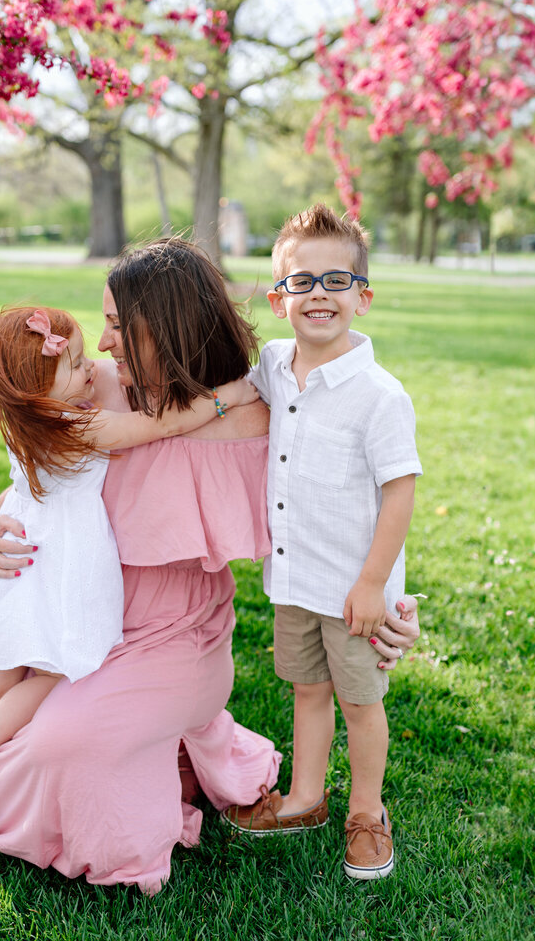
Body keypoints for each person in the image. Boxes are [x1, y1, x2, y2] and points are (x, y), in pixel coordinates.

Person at [0, 238, 421, 893]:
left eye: (119, 326)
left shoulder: (254, 420)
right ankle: (167, 756)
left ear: (168, 327)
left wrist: (391, 600)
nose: (101, 343)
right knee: (15, 727)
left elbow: (359, 503)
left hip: (177, 640)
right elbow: (39, 486)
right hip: (90, 626)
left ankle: (155, 789)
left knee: (58, 746)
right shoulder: (102, 392)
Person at [0, 303, 257, 836]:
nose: (92, 367)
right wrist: (228, 397)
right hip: (47, 572)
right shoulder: (76, 424)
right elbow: (158, 423)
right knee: (52, 672)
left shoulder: (28, 423)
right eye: (75, 366)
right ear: (42, 391)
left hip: (13, 570)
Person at [223, 204, 422, 881]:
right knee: (308, 691)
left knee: (361, 703)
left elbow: (400, 492)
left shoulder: (378, 394)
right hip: (294, 578)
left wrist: (373, 584)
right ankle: (305, 797)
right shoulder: (275, 366)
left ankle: (367, 811)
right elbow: (228, 395)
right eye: (301, 282)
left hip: (354, 589)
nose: (318, 295)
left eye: (336, 281)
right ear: (279, 300)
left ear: (362, 296)